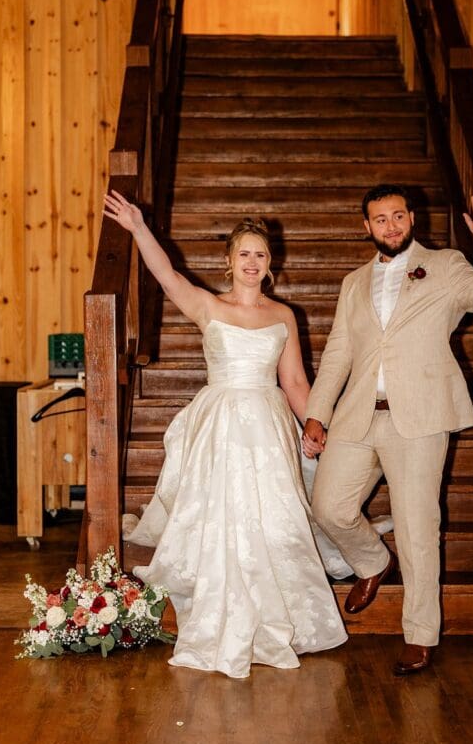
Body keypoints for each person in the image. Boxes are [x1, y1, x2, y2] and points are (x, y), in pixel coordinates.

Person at [103, 190, 347, 679]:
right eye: (244, 254)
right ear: (229, 261)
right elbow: (167, 274)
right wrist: (137, 228)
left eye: (260, 254)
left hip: (268, 421)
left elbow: (296, 382)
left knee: (274, 517)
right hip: (220, 423)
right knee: (222, 516)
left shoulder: (283, 316)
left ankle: (285, 618)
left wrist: (319, 426)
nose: (252, 262)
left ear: (269, 262)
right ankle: (220, 617)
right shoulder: (207, 307)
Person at [302, 186, 473, 676]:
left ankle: (420, 635)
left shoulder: (445, 264)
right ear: (367, 227)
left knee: (418, 528)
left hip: (419, 418)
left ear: (411, 218)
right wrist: (318, 412)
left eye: (398, 216)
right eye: (380, 219)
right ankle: (373, 562)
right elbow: (337, 353)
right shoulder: (354, 282)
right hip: (358, 414)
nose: (391, 226)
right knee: (328, 505)